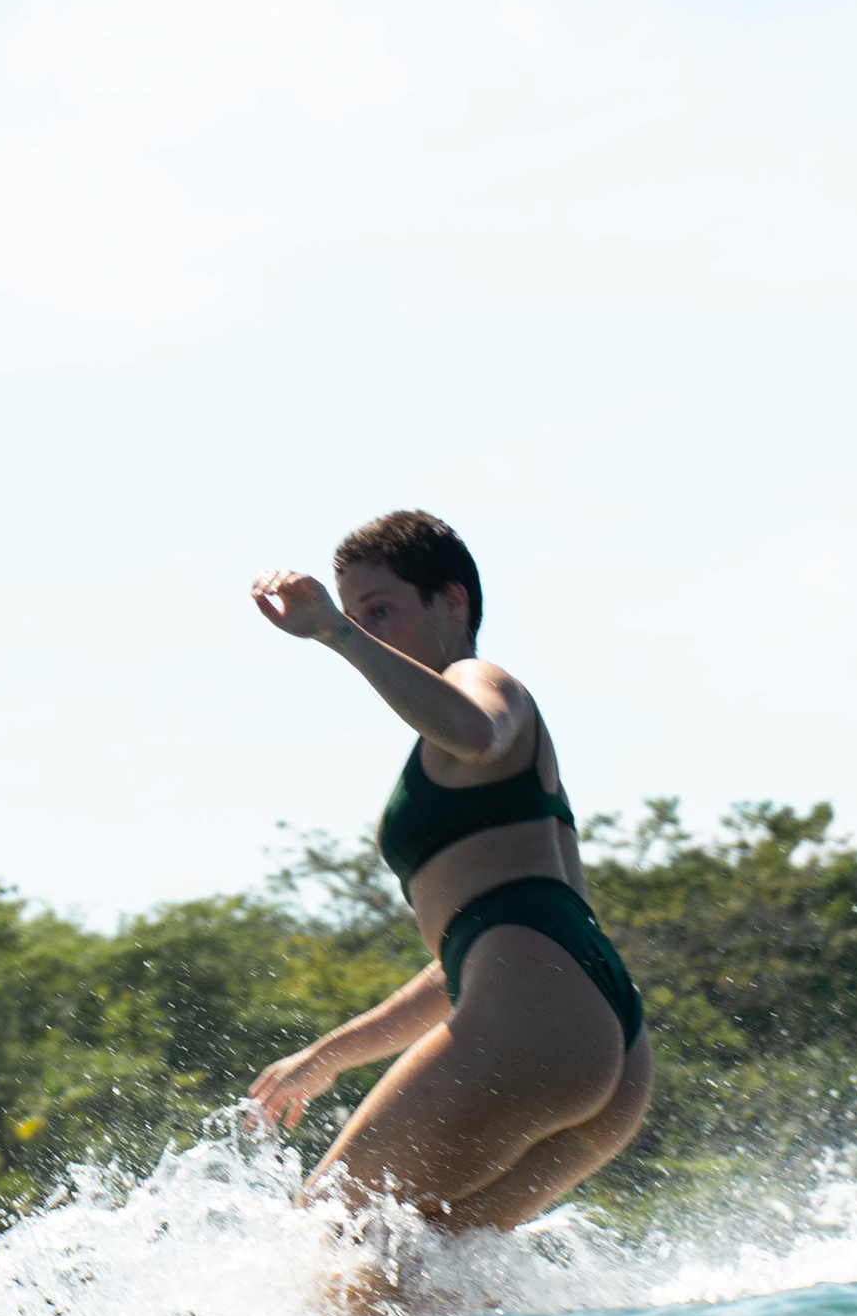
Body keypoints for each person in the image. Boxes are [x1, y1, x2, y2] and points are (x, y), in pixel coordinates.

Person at [245, 511, 652, 1259]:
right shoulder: (502, 793)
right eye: (356, 614)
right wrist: (330, 1054)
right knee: (404, 1274)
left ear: (452, 601)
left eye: (380, 611)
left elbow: (477, 730)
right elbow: (485, 953)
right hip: (601, 1037)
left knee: (328, 1234)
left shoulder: (480, 682)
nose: (367, 629)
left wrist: (334, 633)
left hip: (542, 1018)